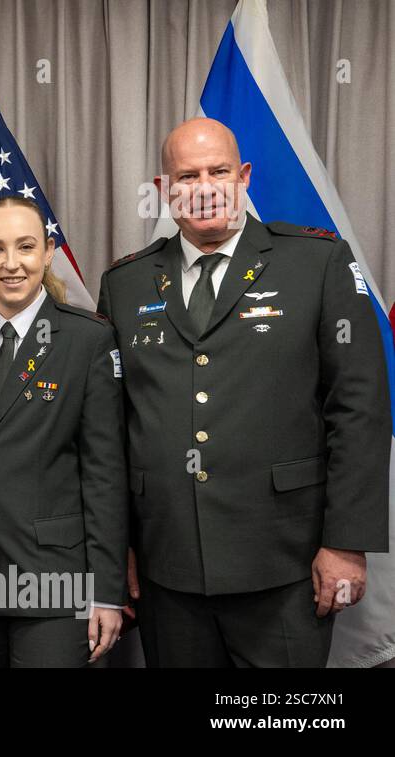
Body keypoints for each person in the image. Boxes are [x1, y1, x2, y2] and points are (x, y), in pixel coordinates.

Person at [97, 117, 391, 667]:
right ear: (164, 190)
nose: (206, 188)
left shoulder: (316, 262)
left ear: (245, 176)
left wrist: (347, 542)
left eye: (220, 171)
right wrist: (119, 549)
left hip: (286, 561)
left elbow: (360, 408)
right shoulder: (126, 283)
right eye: (187, 175)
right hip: (168, 565)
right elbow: (109, 430)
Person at [0, 196, 127, 667]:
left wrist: (107, 592)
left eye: (26, 247)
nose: (11, 264)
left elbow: (105, 476)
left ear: (48, 251)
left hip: (55, 583)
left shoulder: (88, 340)